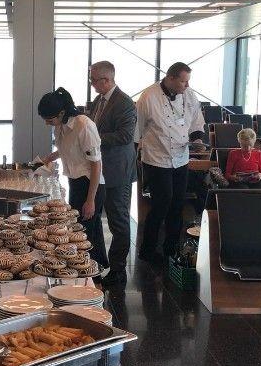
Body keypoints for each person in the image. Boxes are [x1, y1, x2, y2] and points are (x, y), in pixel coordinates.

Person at [135, 62, 206, 265]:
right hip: (157, 159)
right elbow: (137, 130)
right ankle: (147, 250)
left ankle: (171, 248)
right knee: (161, 204)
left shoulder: (189, 95)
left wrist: (197, 139)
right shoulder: (149, 96)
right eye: (183, 81)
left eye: (188, 81)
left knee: (177, 204)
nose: (187, 85)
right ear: (171, 78)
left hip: (181, 158)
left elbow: (196, 121)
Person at [38, 87, 107, 275]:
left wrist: (90, 200)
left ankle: (91, 276)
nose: (47, 123)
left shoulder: (84, 125)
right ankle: (95, 272)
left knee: (84, 234)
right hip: (75, 182)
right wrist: (48, 158)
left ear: (61, 113)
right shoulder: (61, 126)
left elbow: (96, 164)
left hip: (90, 184)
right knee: (83, 230)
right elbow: (66, 148)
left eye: (49, 119)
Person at [88, 61, 137, 288]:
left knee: (118, 221)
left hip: (118, 170)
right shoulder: (98, 101)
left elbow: (125, 136)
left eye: (94, 80)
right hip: (100, 169)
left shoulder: (124, 103)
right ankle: (99, 263)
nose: (91, 84)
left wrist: (93, 139)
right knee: (97, 216)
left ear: (106, 80)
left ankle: (118, 272)